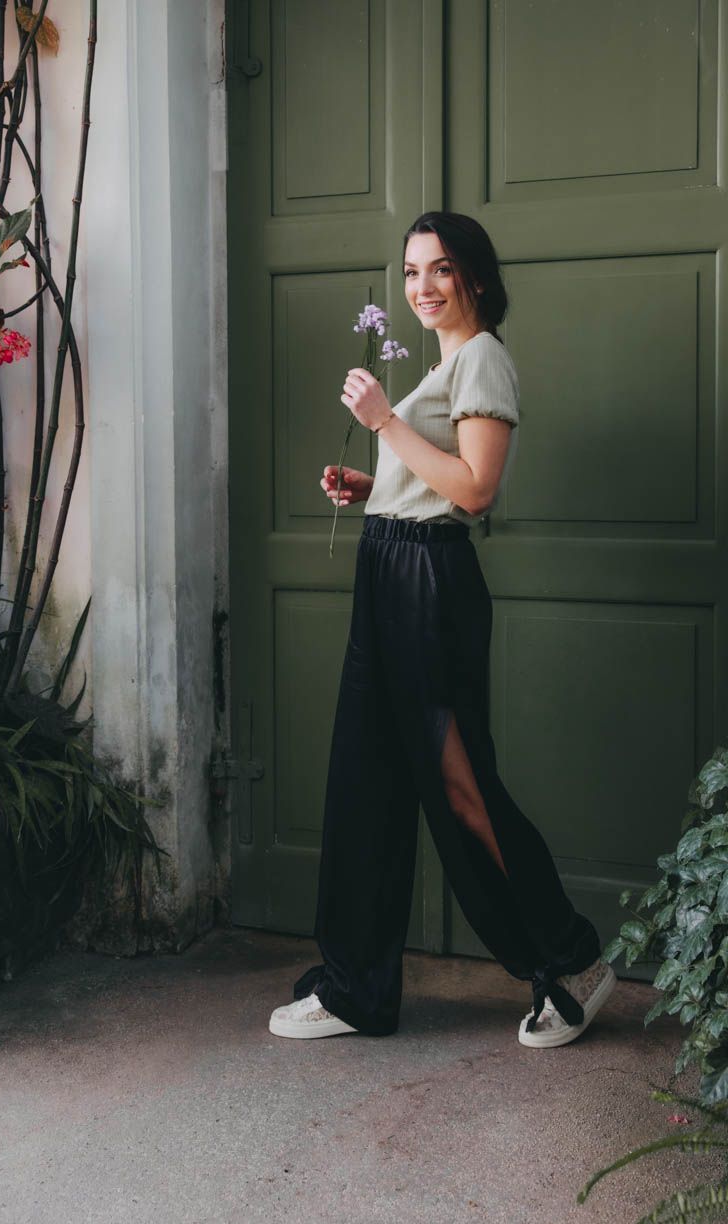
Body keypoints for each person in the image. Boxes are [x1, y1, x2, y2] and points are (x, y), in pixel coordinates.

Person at [268, 211, 616, 1048]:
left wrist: (384, 424)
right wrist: (374, 486)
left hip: (429, 586)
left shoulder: (483, 356)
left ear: (476, 278)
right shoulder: (446, 362)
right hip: (391, 567)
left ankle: (572, 963)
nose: (421, 287)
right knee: (369, 782)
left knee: (462, 789)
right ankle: (355, 988)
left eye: (441, 269)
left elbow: (476, 490)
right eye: (411, 271)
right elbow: (437, 478)